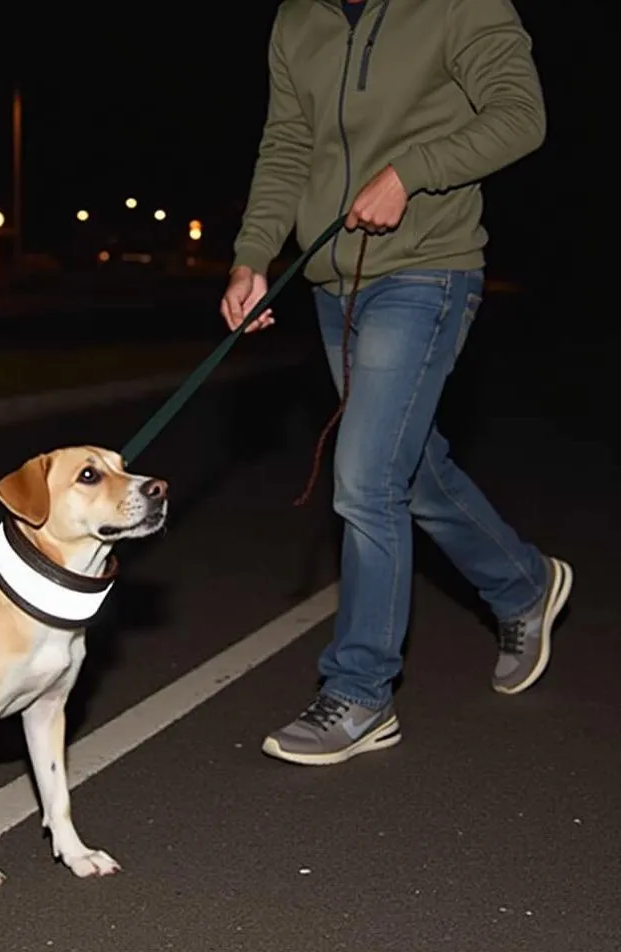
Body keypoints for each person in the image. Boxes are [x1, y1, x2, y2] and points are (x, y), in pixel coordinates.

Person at [222, 0, 572, 766]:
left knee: (364, 478)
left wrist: (412, 173)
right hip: (328, 281)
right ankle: (522, 583)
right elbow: (286, 145)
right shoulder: (298, 20)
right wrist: (253, 256)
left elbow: (521, 114)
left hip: (426, 270)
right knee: (408, 472)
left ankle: (361, 692)